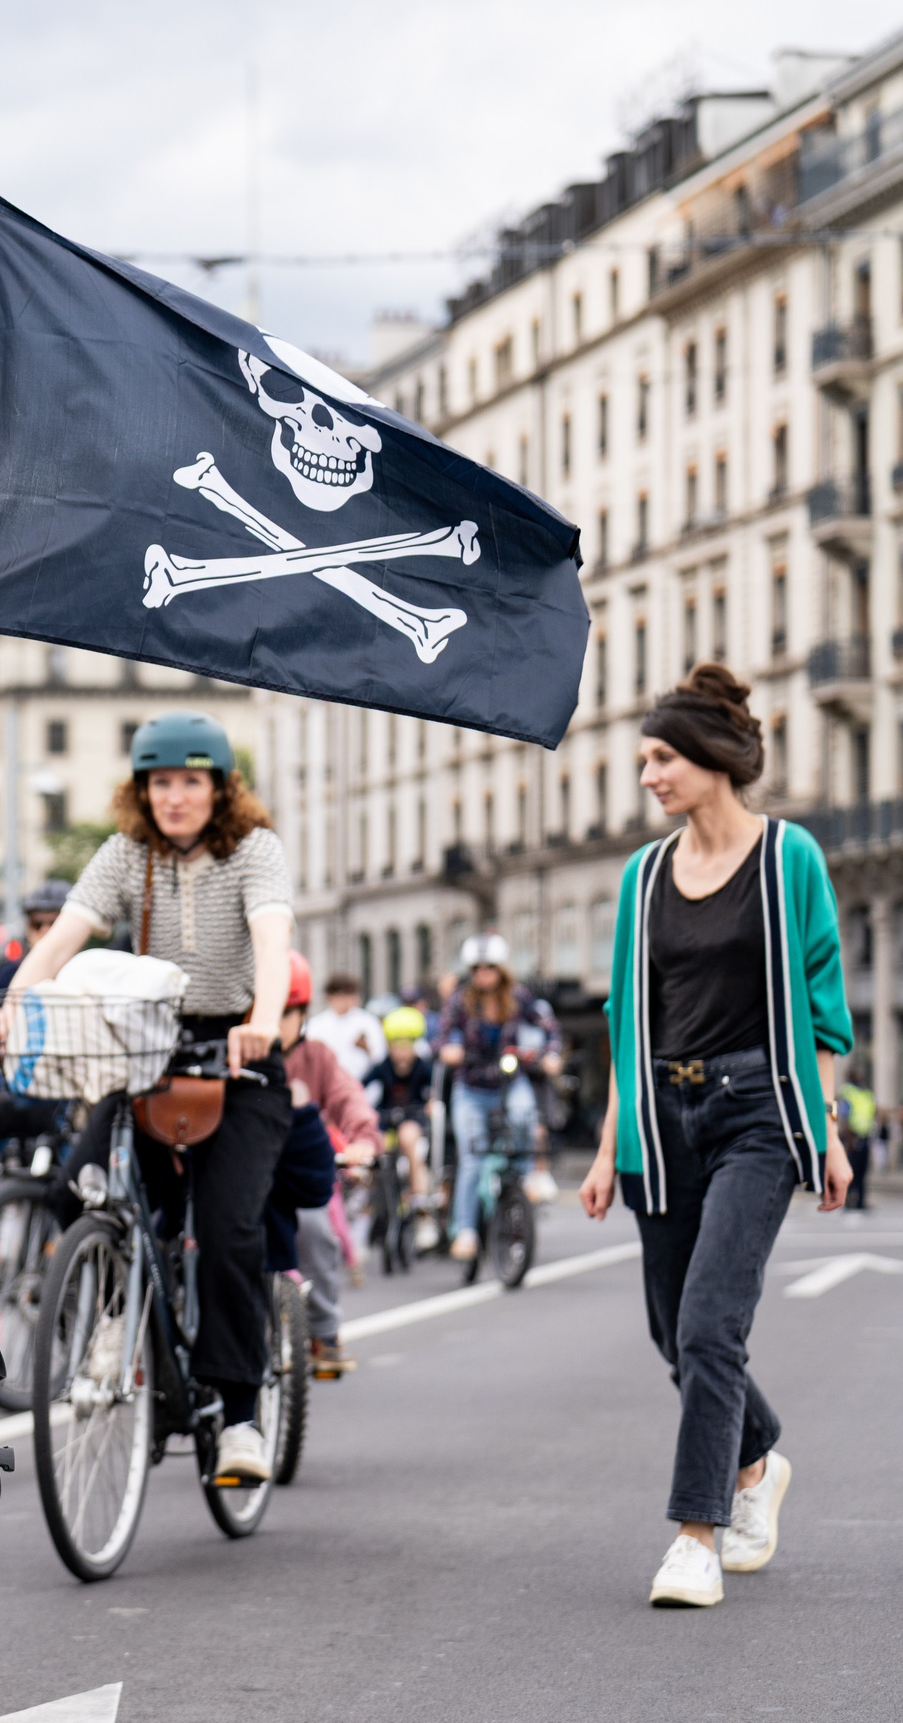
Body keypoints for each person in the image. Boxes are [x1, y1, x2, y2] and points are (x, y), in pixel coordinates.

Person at [580, 663, 853, 1609]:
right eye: (646, 760)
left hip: (759, 1114)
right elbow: (630, 1013)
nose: (649, 775)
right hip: (661, 1117)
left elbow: (822, 1005)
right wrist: (609, 1139)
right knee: (674, 1329)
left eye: (661, 757)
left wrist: (829, 1125)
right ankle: (756, 1461)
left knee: (709, 1322)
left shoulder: (791, 858)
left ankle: (697, 1534)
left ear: (710, 758)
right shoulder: (642, 873)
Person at [0, 711, 295, 1484]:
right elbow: (63, 939)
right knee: (75, 1192)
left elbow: (271, 933)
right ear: (142, 791)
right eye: (160, 782)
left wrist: (263, 1020)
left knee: (229, 1230)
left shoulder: (254, 850)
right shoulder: (129, 855)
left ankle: (237, 1417)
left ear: (220, 788)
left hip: (238, 1055)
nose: (175, 796)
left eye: (191, 781)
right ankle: (115, 1317)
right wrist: (15, 1007)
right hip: (147, 1054)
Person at [276, 951, 377, 1378]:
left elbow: (348, 1097)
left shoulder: (317, 1056)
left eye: (286, 1013)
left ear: (302, 1013)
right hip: (243, 1171)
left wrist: (363, 1141)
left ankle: (325, 1332)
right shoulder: (234, 1051)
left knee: (318, 1232)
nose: (274, 1022)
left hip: (299, 1174)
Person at [435, 934, 562, 1261]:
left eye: (490, 966)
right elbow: (442, 1034)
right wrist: (449, 1049)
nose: (484, 973)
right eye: (477, 967)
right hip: (472, 1088)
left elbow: (549, 1026)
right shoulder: (461, 1000)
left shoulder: (519, 997)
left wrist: (551, 1054)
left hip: (509, 1082)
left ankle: (522, 1179)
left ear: (501, 969)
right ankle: (464, 1231)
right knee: (472, 1158)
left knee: (525, 1119)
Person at [363, 1004, 440, 1248]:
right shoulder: (382, 1066)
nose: (402, 1052)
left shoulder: (424, 1067)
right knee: (376, 1147)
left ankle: (419, 1200)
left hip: (412, 1120)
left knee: (409, 1139)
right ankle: (371, 1194)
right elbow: (359, 1084)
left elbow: (436, 1091)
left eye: (407, 1045)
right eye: (397, 1045)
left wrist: (431, 1102)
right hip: (387, 1120)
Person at [0, 879, 70, 994]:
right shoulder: (9, 972)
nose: (45, 930)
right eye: (37, 924)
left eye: (54, 924)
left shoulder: (85, 971)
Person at [305, 973, 386, 1082]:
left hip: (363, 1086)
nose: (347, 1000)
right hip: (326, 1086)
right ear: (330, 997)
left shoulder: (368, 1022)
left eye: (351, 994)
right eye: (342, 995)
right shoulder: (316, 1025)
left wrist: (366, 1048)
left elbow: (380, 1058)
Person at [838, 1071, 875, 1215]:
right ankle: (848, 1200)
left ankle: (860, 1201)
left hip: (865, 1135)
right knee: (851, 1170)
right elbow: (844, 1115)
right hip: (853, 1137)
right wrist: (849, 1139)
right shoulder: (848, 1092)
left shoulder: (865, 1093)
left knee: (862, 1170)